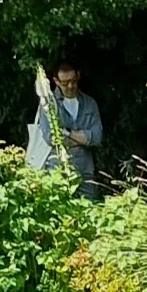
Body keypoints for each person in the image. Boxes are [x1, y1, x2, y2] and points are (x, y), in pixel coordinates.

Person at [28, 60, 104, 196]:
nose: (70, 86)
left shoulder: (89, 103)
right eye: (65, 83)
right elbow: (52, 138)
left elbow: (97, 137)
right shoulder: (48, 105)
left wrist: (67, 132)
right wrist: (83, 139)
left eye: (73, 81)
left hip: (86, 172)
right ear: (56, 81)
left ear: (78, 76)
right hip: (57, 171)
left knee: (90, 210)